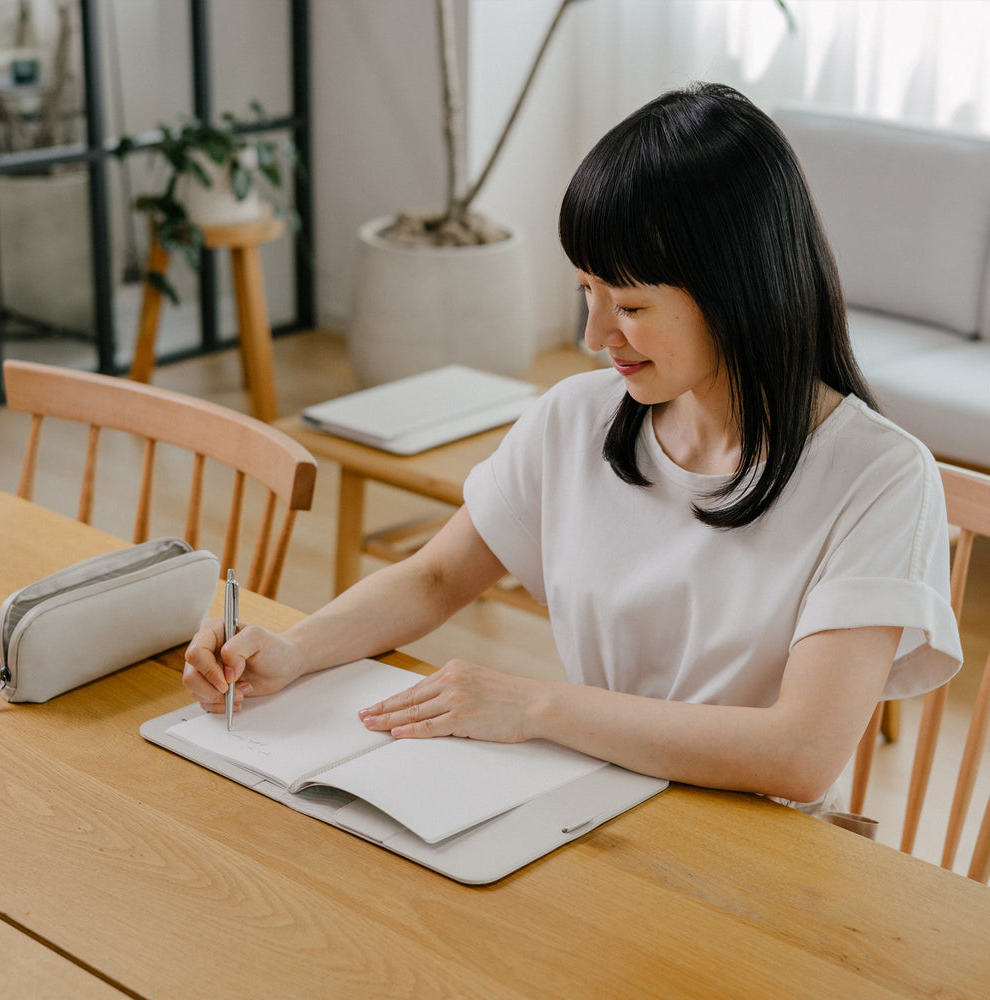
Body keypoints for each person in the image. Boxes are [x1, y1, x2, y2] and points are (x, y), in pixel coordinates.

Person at [184, 82, 962, 814]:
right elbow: (434, 576)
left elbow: (799, 753)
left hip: (750, 847)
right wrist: (291, 650)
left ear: (740, 288)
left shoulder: (879, 477)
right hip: (588, 798)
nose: (595, 336)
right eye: (587, 291)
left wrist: (535, 706)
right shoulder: (576, 420)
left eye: (629, 304)